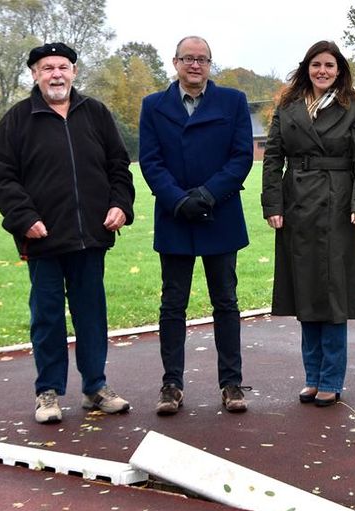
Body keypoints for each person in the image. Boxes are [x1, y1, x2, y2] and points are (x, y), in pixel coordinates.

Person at [0, 42, 135, 424]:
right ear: (35, 74)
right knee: (47, 316)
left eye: (63, 67)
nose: (56, 74)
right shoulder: (18, 120)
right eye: (48, 67)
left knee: (91, 314)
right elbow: (2, 180)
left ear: (73, 72)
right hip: (43, 239)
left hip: (91, 236)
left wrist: (120, 204)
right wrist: (24, 218)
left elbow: (119, 165)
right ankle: (47, 392)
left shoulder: (96, 114)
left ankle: (95, 387)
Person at [138, 36, 253, 415]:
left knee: (226, 301)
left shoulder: (232, 102)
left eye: (202, 59)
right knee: (173, 304)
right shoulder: (154, 106)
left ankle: (231, 383)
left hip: (219, 214)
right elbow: (150, 161)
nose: (195, 65)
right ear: (175, 62)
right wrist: (178, 200)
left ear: (209, 64)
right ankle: (171, 385)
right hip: (175, 218)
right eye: (188, 58)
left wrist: (207, 195)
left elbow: (240, 157)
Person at [261, 41, 355, 407]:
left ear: (339, 69)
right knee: (304, 292)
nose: (322, 71)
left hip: (338, 207)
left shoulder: (353, 107)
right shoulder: (289, 106)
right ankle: (312, 376)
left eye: (329, 65)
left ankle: (330, 378)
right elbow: (273, 157)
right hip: (295, 206)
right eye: (316, 65)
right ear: (307, 67)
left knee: (332, 294)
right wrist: (273, 203)